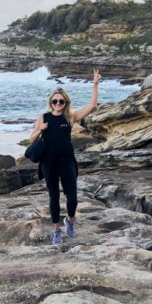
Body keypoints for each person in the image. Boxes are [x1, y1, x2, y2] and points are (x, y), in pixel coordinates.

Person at [28, 69, 102, 245]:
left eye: (61, 101)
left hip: (67, 161)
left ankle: (69, 220)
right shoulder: (43, 117)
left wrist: (95, 84)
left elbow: (92, 106)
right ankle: (56, 231)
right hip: (49, 162)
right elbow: (30, 139)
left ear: (65, 102)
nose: (58, 103)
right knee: (53, 196)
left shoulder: (70, 117)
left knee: (72, 197)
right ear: (51, 103)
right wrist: (40, 129)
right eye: (55, 101)